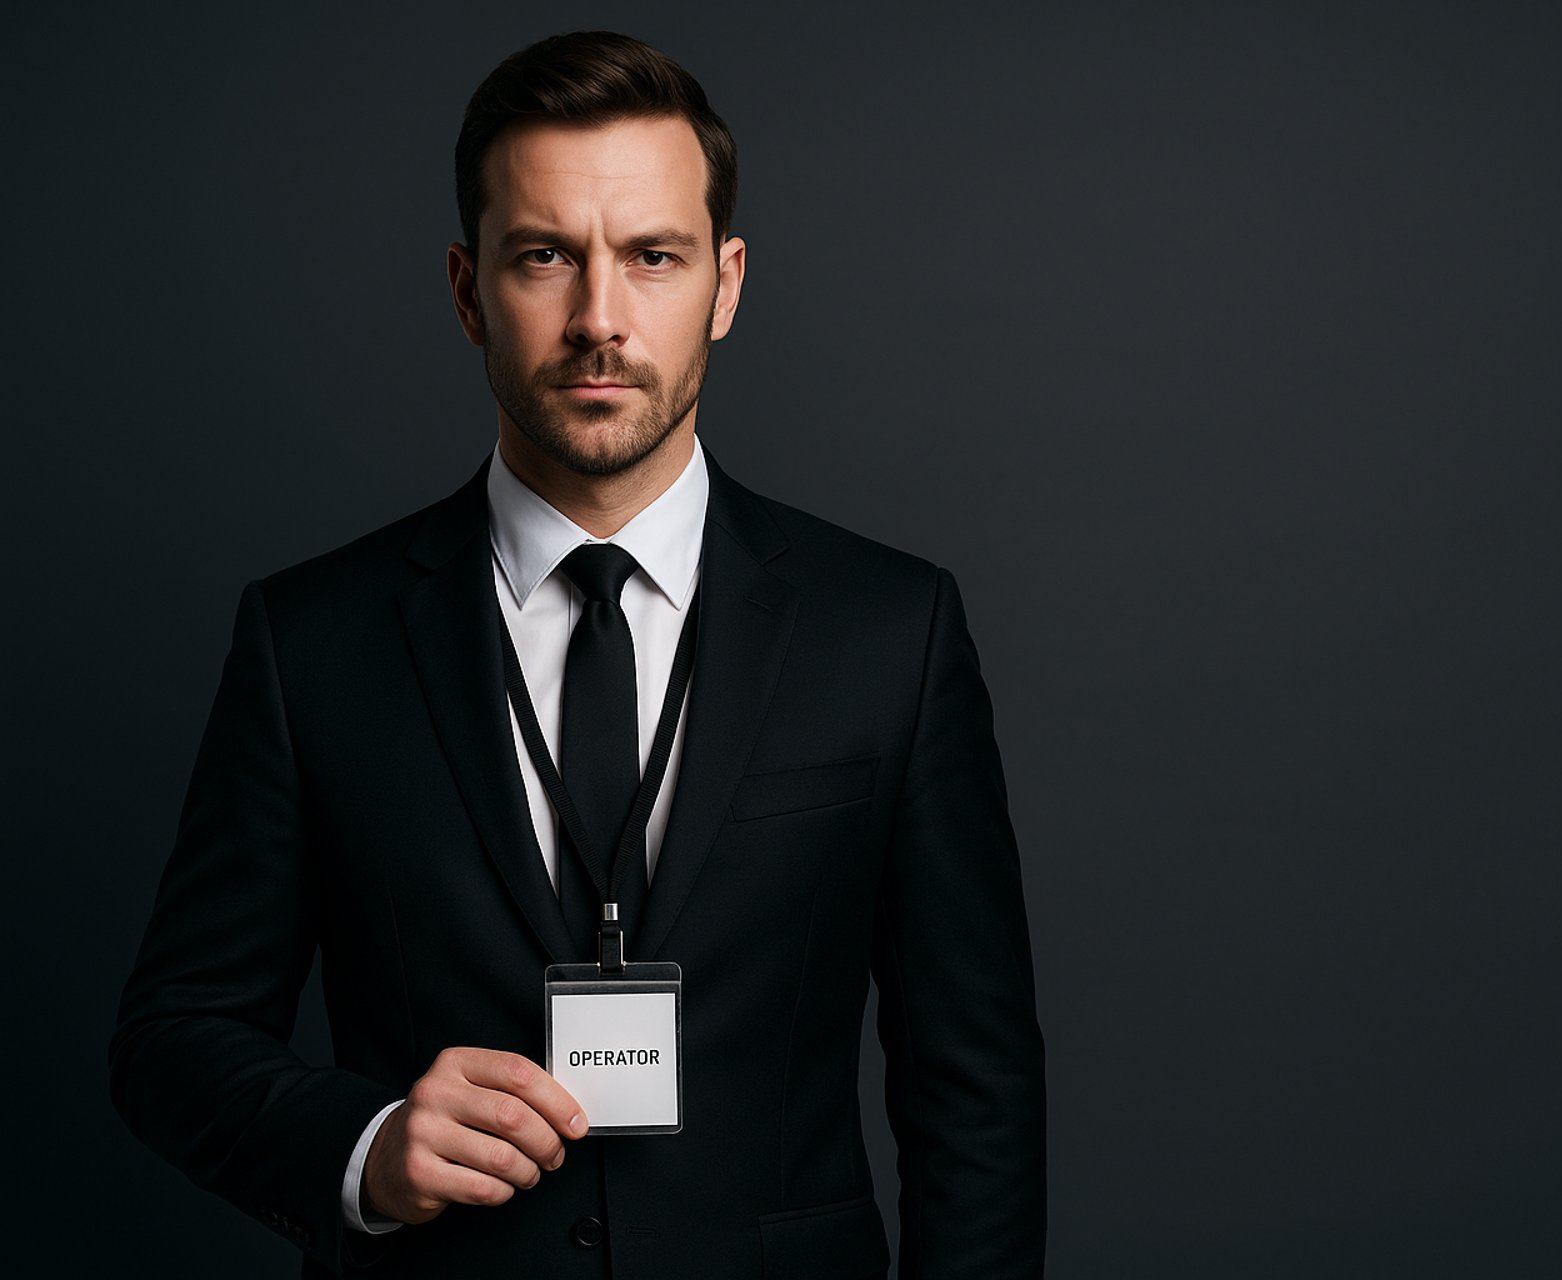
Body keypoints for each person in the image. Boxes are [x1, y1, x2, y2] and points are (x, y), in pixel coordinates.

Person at [109, 31, 1045, 1280]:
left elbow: (974, 1087)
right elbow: (173, 1036)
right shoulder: (308, 640)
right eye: (546, 256)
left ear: (725, 283)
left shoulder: (893, 629)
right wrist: (369, 1144)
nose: (600, 318)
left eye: (652, 257)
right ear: (464, 288)